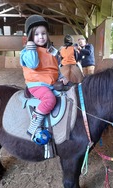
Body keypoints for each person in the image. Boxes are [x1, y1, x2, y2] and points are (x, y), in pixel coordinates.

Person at [20, 15, 67, 145]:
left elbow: (56, 67)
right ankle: (34, 126)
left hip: (51, 83)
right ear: (30, 36)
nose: (41, 37)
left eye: (43, 33)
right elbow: (33, 64)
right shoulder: (26, 52)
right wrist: (31, 48)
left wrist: (62, 77)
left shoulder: (51, 51)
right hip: (37, 84)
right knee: (49, 100)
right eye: (36, 34)